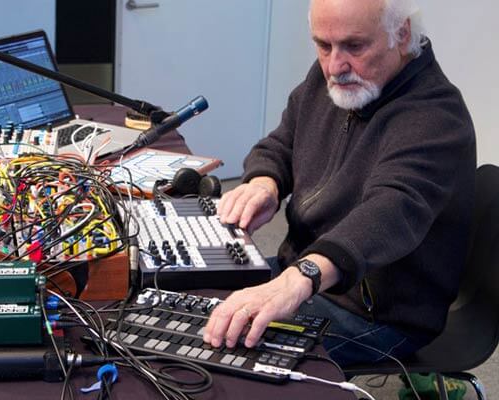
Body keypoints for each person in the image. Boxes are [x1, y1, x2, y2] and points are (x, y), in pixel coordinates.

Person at [203, 0, 476, 366]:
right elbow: (283, 141)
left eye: (354, 46)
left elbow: (388, 213)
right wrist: (264, 182)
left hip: (377, 313)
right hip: (303, 272)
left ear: (402, 34)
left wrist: (302, 276)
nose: (335, 65)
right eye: (323, 45)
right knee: (181, 300)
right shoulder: (331, 75)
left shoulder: (436, 117)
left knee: (221, 352)